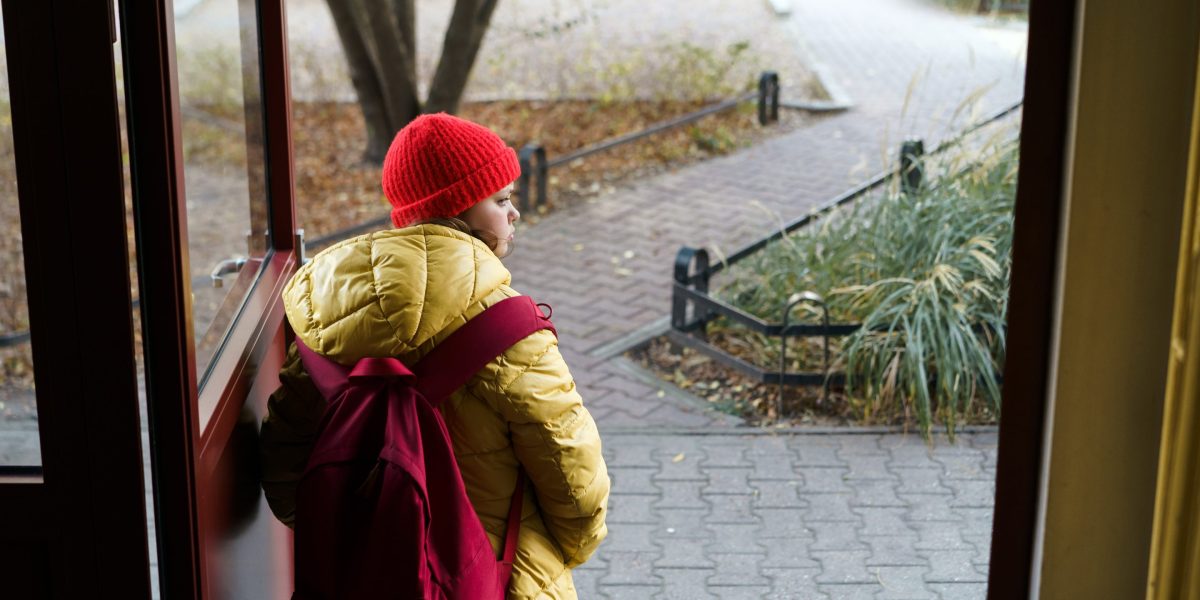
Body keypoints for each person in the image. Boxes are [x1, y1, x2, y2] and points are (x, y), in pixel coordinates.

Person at [259, 113, 610, 598]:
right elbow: (570, 465)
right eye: (502, 199)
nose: (515, 213)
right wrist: (567, 550)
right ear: (456, 209)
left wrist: (368, 534)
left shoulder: (324, 325)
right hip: (499, 574)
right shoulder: (507, 328)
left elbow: (285, 466)